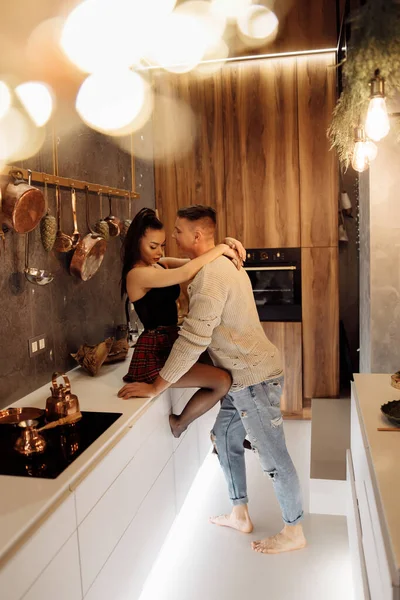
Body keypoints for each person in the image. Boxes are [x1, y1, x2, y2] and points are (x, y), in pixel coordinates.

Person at [118, 205, 306, 555]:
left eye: (176, 232)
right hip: (241, 375)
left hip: (253, 379)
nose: (171, 239)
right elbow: (181, 267)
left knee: (274, 458)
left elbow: (193, 339)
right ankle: (239, 513)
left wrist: (158, 385)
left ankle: (294, 529)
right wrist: (224, 245)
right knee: (222, 435)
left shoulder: (210, 277)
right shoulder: (212, 265)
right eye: (160, 240)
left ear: (196, 236)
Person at [120, 207, 246, 438]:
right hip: (154, 353)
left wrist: (227, 244)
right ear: (136, 244)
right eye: (152, 246)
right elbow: (187, 270)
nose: (159, 252)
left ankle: (230, 432)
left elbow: (199, 262)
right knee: (222, 381)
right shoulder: (136, 275)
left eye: (162, 245)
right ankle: (179, 424)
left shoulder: (159, 265)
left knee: (227, 365)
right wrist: (221, 248)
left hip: (171, 343)